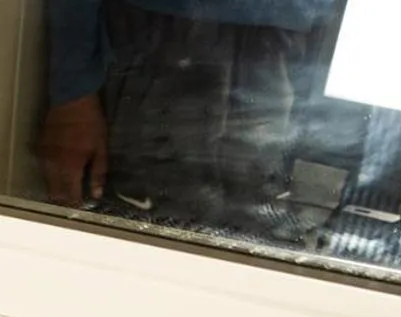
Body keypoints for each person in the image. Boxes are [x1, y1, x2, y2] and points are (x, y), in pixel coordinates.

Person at [42, 0, 338, 222]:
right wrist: (74, 88)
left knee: (247, 243)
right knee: (143, 240)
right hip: (169, 31)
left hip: (291, 32)